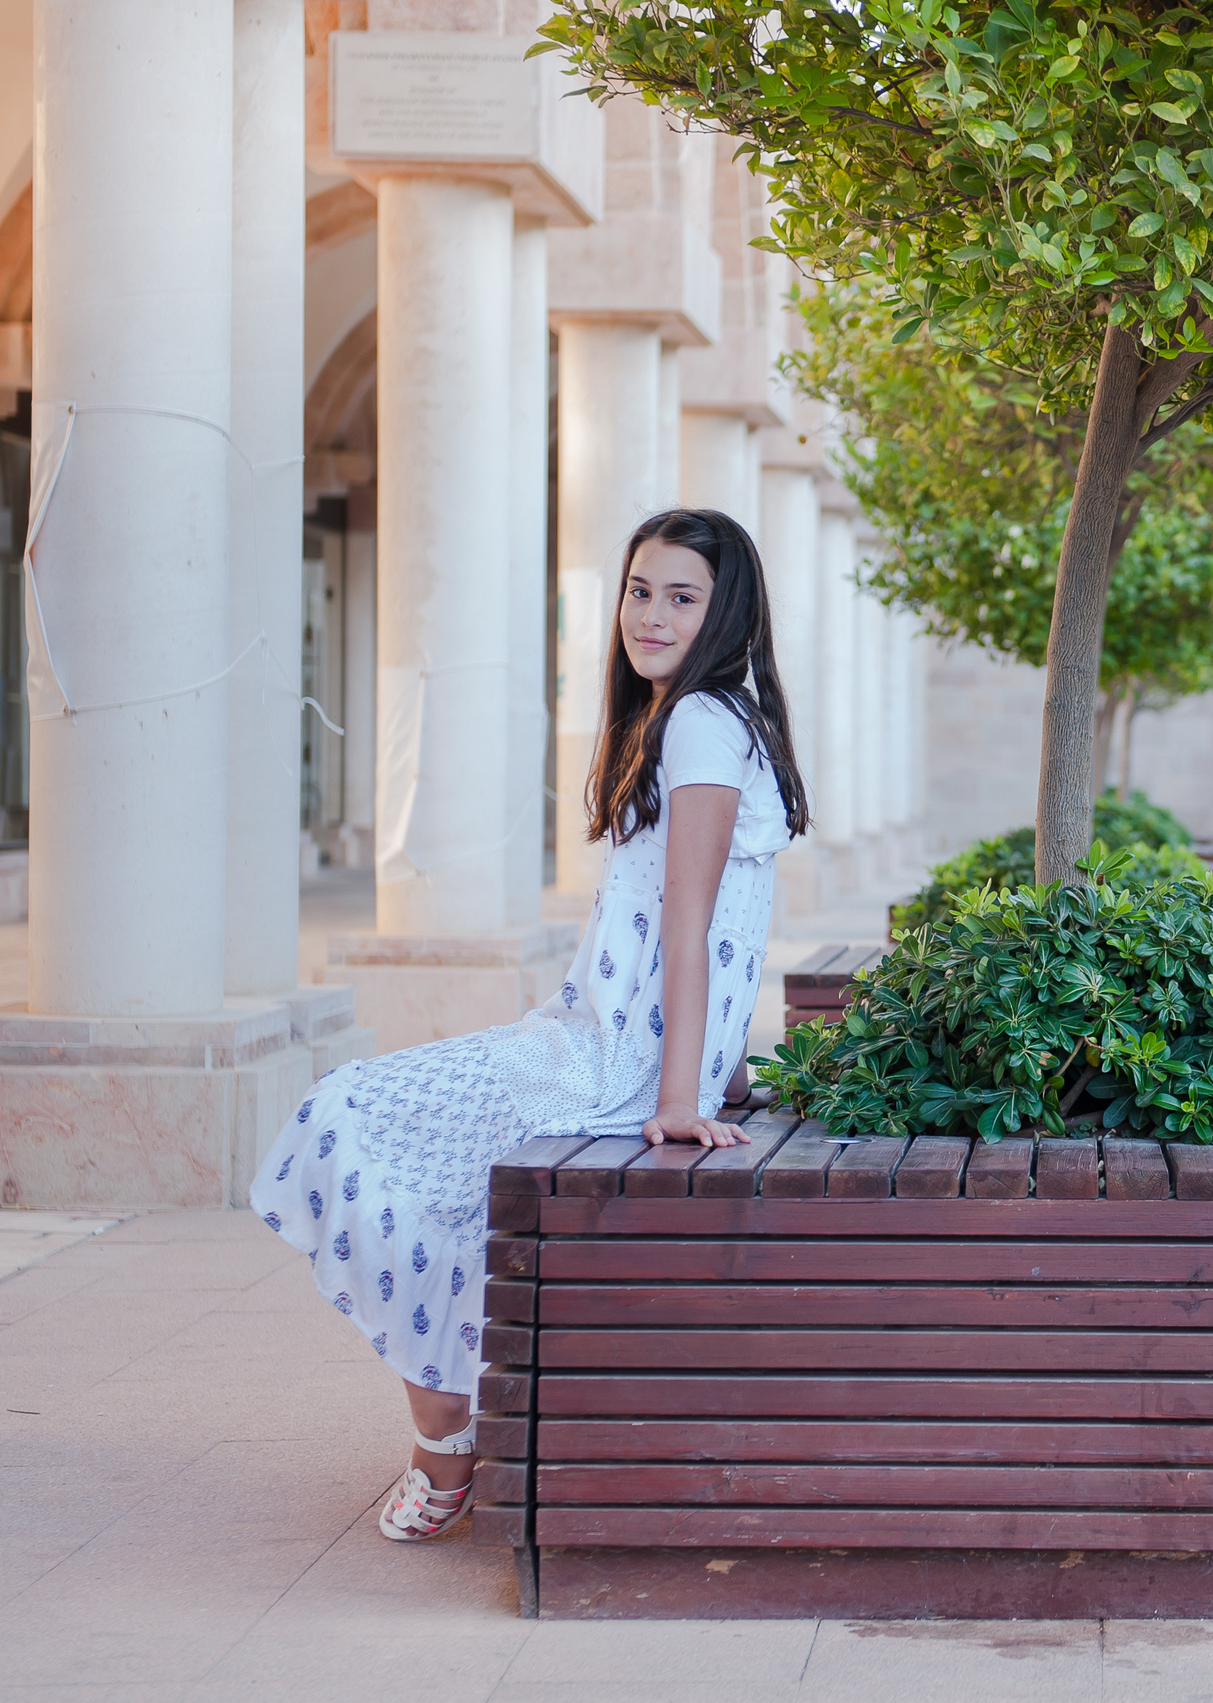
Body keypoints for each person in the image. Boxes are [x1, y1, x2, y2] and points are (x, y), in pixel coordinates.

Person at [249, 508, 808, 1542]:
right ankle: (452, 1436)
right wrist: (712, 1067)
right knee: (446, 1193)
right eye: (640, 589)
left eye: (681, 596)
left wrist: (679, 1097)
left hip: (604, 1067)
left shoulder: (696, 724)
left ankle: (443, 1447)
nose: (650, 613)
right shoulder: (710, 717)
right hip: (604, 1047)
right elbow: (720, 926)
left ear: (724, 610)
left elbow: (690, 927)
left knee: (344, 1114)